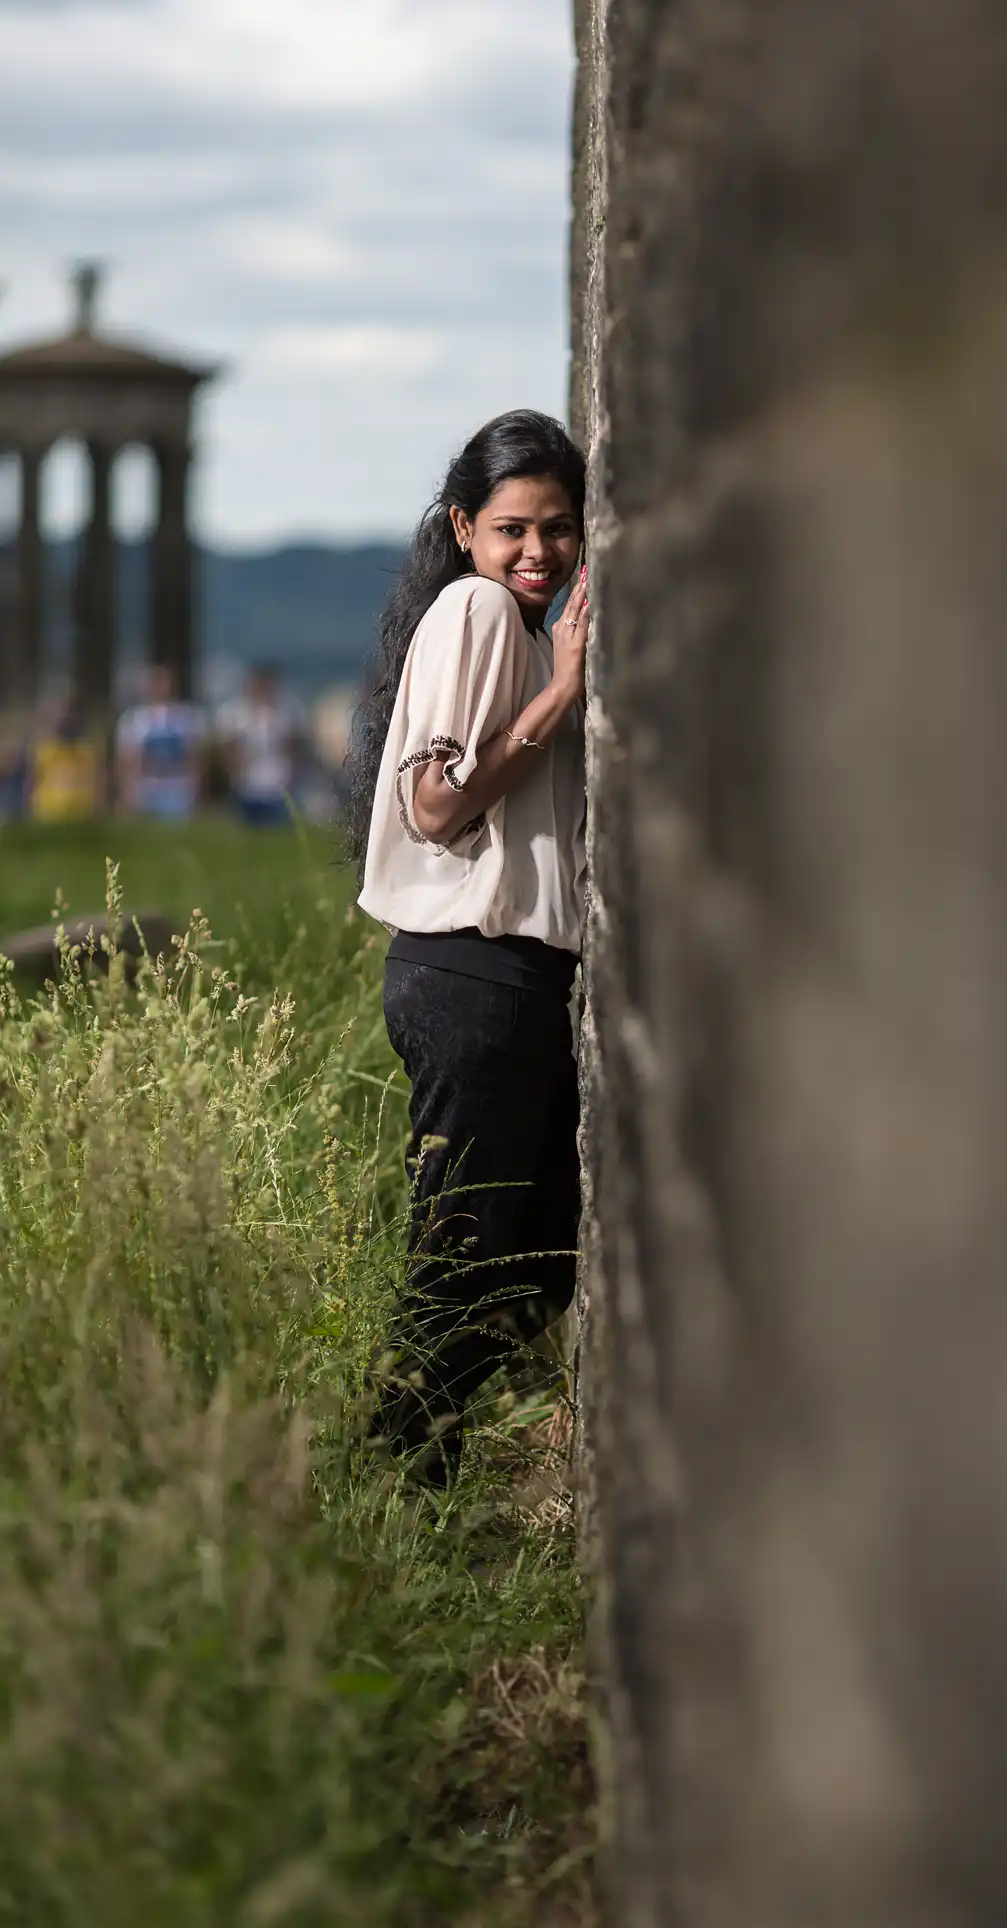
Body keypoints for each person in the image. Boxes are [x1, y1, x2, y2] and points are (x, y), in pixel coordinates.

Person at [346, 408, 590, 1480]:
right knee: (462, 1262)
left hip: (508, 983)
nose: (535, 552)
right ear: (463, 528)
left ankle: (415, 1457)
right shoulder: (481, 610)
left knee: (535, 1258)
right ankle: (395, 1478)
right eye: (511, 528)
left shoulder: (520, 625)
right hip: (472, 978)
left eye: (559, 528)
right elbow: (437, 807)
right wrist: (565, 693)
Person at [114, 664, 207, 820]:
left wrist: (196, 790)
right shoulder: (133, 718)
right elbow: (126, 760)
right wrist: (127, 792)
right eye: (156, 682)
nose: (161, 687)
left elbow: (194, 757)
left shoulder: (187, 717)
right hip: (145, 790)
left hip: (178, 791)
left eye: (164, 682)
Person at [217, 664, 304, 824]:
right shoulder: (236, 712)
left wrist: (293, 774)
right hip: (247, 785)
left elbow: (294, 747)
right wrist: (234, 773)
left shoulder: (286, 711)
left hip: (278, 785)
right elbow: (229, 749)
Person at [26, 695, 104, 824]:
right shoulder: (44, 749)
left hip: (82, 814)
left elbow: (97, 781)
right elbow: (32, 780)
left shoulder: (88, 750)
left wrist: (97, 810)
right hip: (47, 814)